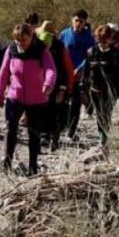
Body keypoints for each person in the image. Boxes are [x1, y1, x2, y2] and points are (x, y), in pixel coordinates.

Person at [0, 23, 56, 175]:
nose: (20, 43)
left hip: (36, 98)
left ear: (31, 37)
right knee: (10, 128)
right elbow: (3, 72)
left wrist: (48, 83)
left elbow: (51, 69)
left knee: (33, 133)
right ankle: (7, 162)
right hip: (14, 96)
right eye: (17, 39)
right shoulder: (11, 49)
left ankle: (32, 166)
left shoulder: (41, 50)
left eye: (23, 39)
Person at [81, 24, 119, 147]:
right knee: (99, 113)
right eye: (101, 40)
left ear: (110, 39)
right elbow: (86, 71)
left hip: (111, 90)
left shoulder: (117, 54)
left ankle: (104, 136)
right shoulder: (91, 52)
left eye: (106, 40)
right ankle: (102, 133)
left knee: (106, 112)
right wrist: (83, 87)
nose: (103, 43)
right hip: (95, 89)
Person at [36, 20, 74, 151]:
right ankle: (44, 136)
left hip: (57, 85)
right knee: (41, 110)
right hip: (40, 84)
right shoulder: (36, 45)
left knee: (55, 111)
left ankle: (54, 137)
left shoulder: (60, 47)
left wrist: (65, 87)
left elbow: (67, 69)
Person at [58, 9, 95, 141]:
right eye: (76, 20)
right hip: (64, 73)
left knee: (76, 102)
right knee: (61, 101)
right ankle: (60, 127)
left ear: (85, 23)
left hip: (80, 75)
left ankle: (71, 131)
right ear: (72, 20)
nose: (78, 23)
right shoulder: (64, 34)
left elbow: (90, 56)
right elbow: (59, 53)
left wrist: (80, 69)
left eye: (81, 21)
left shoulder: (88, 37)